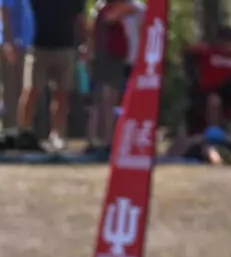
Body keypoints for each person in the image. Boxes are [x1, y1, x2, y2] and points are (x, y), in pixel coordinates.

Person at [21, 0, 86, 152]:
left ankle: (57, 135)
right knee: (31, 91)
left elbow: (80, 17)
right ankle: (24, 133)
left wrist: (85, 42)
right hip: (39, 46)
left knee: (62, 93)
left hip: (65, 47)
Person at [186, 26, 231, 145]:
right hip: (211, 91)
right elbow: (188, 52)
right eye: (224, 41)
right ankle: (215, 135)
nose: (226, 45)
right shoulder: (209, 53)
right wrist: (198, 47)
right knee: (214, 101)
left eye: (229, 41)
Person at [87, 0, 142, 150]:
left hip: (125, 60)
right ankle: (99, 140)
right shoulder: (102, 9)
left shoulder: (135, 8)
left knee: (113, 100)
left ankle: (111, 139)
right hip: (105, 58)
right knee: (102, 100)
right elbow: (103, 23)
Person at [0, 0, 35, 135]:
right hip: (12, 45)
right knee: (10, 92)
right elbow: (4, 11)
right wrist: (9, 43)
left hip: (25, 45)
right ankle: (8, 132)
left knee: (23, 91)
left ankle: (20, 131)